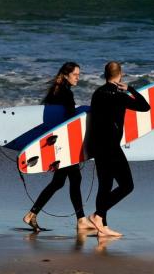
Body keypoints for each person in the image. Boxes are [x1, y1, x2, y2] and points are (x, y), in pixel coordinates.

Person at [23, 62, 97, 233]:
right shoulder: (66, 95)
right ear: (66, 75)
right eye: (75, 74)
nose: (78, 77)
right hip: (65, 145)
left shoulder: (55, 92)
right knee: (71, 180)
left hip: (58, 143)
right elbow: (71, 123)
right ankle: (81, 221)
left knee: (59, 182)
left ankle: (32, 214)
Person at [85, 61, 150, 237]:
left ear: (105, 75)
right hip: (111, 147)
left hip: (97, 145)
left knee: (105, 185)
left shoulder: (97, 93)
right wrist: (130, 89)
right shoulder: (119, 95)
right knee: (127, 185)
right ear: (120, 74)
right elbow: (145, 107)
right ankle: (98, 216)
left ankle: (102, 226)